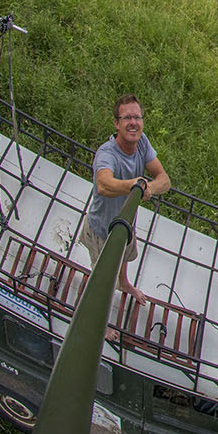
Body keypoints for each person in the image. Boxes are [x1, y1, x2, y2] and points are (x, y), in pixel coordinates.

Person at [82, 94, 170, 293]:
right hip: (102, 230)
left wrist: (149, 188)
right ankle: (87, 312)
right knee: (101, 283)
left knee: (125, 253)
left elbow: (164, 179)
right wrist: (133, 185)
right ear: (116, 124)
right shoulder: (107, 154)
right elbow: (104, 185)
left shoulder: (141, 143)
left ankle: (124, 282)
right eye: (127, 118)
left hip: (125, 221)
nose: (133, 123)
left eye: (137, 118)